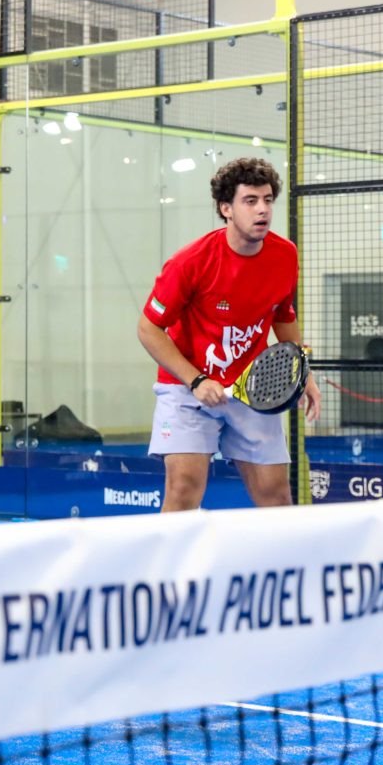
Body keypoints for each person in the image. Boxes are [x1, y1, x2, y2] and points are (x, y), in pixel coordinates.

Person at [136, 157, 320, 512]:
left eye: (267, 200)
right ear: (226, 209)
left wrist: (303, 372)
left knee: (277, 497)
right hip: (187, 387)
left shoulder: (285, 255)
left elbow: (283, 316)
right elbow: (148, 329)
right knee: (183, 488)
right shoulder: (189, 262)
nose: (262, 209)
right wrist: (196, 380)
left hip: (252, 388)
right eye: (250, 201)